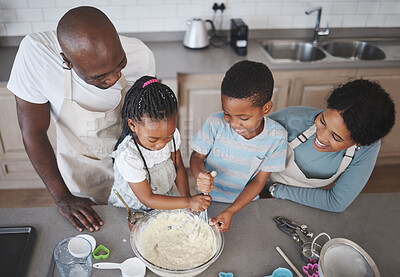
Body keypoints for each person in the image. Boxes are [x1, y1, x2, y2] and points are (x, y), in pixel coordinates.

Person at [7, 6, 155, 232]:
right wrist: (63, 198)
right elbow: (33, 132)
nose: (115, 78)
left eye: (120, 64)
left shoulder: (141, 55)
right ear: (66, 61)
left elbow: (148, 120)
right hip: (79, 176)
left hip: (132, 170)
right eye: (100, 77)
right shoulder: (36, 55)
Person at [263, 79, 396, 212]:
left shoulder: (366, 149)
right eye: (322, 121)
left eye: (336, 137)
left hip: (292, 202)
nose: (322, 137)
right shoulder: (291, 119)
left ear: (358, 142)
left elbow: (335, 202)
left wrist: (276, 190)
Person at [190, 60, 288, 232]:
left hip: (243, 203)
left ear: (266, 108)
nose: (234, 124)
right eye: (227, 114)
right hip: (206, 198)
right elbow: (197, 157)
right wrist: (200, 175)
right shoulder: (215, 123)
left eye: (243, 118)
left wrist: (231, 211)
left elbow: (259, 181)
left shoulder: (277, 137)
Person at [108, 76, 211, 211]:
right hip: (132, 208)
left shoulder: (171, 135)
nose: (162, 144)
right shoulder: (128, 156)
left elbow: (178, 166)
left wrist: (187, 197)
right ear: (132, 125)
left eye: (168, 137)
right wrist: (187, 202)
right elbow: (148, 199)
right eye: (153, 140)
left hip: (162, 200)